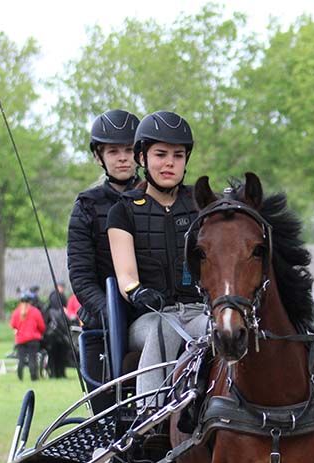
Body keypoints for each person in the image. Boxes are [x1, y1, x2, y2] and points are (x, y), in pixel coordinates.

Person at [107, 110, 206, 406]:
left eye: (178, 155)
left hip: (199, 311)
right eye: (161, 154)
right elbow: (125, 276)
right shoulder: (122, 211)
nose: (169, 163)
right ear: (142, 158)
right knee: (164, 327)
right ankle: (148, 415)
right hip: (150, 318)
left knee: (223, 330)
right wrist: (138, 292)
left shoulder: (201, 207)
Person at [67, 109, 140, 390]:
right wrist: (112, 312)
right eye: (113, 151)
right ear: (99, 156)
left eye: (129, 150)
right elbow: (81, 277)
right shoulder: (86, 205)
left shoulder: (153, 197)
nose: (122, 157)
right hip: (104, 320)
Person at [10, 292, 45, 381]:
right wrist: (39, 333)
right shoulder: (35, 311)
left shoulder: (16, 312)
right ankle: (34, 377)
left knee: (21, 359)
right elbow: (42, 326)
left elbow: (13, 325)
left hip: (20, 339)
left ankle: (20, 377)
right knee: (32, 359)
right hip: (33, 339)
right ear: (30, 301)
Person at [44, 283, 70, 378]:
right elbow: (68, 324)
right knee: (61, 356)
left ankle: (53, 373)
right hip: (61, 337)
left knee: (52, 356)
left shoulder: (48, 311)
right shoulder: (62, 313)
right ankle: (61, 373)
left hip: (51, 337)